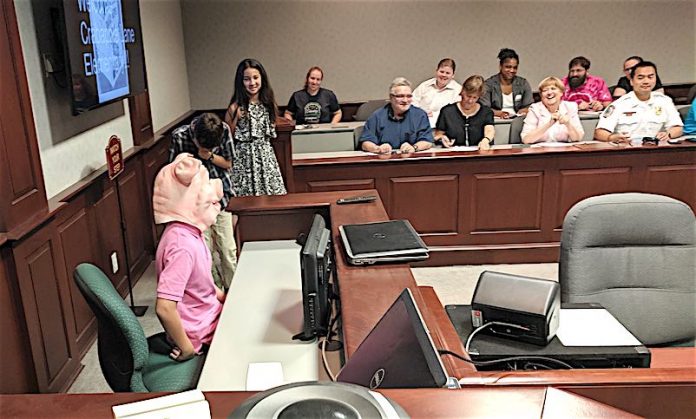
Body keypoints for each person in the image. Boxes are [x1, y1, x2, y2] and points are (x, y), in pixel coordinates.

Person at [153, 153, 226, 361]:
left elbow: (202, 285)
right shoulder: (181, 246)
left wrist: (226, 298)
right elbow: (165, 307)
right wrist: (186, 349)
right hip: (201, 333)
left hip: (210, 316)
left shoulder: (191, 233)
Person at [170, 112, 237, 290]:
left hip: (220, 199)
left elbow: (229, 163)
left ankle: (234, 290)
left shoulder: (223, 130)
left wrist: (210, 157)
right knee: (204, 255)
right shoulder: (180, 136)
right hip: (194, 205)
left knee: (228, 250)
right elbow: (173, 172)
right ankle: (215, 293)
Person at [225, 58, 287, 196]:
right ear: (241, 82)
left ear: (262, 78)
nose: (252, 83)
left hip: (266, 158)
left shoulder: (268, 104)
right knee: (245, 200)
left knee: (273, 197)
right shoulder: (235, 108)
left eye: (255, 78)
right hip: (244, 160)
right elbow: (228, 139)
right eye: (247, 79)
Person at [595, 61, 683, 143]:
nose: (646, 81)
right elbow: (600, 132)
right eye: (640, 78)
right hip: (627, 150)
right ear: (631, 81)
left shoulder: (664, 101)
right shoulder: (619, 104)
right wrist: (612, 137)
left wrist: (668, 134)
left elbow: (678, 127)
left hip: (657, 149)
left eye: (650, 77)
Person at [358, 77, 433, 154]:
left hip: (412, 160)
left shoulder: (420, 115)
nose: (405, 100)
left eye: (409, 96)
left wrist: (414, 147)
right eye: (400, 96)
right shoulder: (377, 116)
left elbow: (427, 141)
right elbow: (365, 143)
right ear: (391, 97)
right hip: (384, 160)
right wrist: (378, 149)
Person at [434, 75, 494, 150]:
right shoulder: (447, 111)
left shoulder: (486, 112)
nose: (470, 101)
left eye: (475, 97)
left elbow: (489, 130)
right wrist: (442, 138)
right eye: (468, 96)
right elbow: (438, 134)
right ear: (463, 92)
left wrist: (486, 140)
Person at [521, 77, 584, 144]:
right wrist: (549, 124)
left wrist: (568, 124)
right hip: (540, 152)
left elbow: (578, 138)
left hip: (565, 151)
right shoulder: (535, 109)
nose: (549, 92)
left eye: (553, 89)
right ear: (541, 95)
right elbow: (526, 139)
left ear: (561, 92)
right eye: (545, 90)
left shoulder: (570, 107)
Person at [479, 48, 533, 119]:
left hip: (518, 121)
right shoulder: (489, 84)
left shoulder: (523, 83)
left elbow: (529, 106)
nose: (512, 70)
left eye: (515, 68)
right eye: (508, 67)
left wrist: (525, 110)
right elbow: (484, 109)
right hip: (495, 121)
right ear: (500, 66)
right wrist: (498, 113)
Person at [412, 58, 462, 127]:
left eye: (447, 73)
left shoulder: (458, 91)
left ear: (453, 75)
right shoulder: (424, 85)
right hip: (418, 124)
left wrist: (434, 114)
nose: (444, 75)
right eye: (441, 72)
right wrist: (421, 112)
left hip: (442, 128)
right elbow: (412, 101)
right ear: (436, 71)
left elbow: (455, 113)